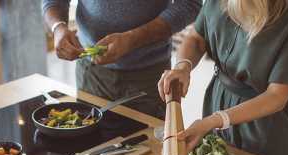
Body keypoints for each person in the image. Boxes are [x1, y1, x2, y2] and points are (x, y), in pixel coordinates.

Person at [158, 0, 288, 155]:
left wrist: (214, 121)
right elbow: (196, 38)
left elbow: (277, 96)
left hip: (269, 126)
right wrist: (183, 66)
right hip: (218, 101)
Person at [41, 0, 201, 119]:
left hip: (149, 78)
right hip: (91, 74)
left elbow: (189, 4)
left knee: (148, 154)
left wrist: (133, 39)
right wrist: (58, 27)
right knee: (88, 149)